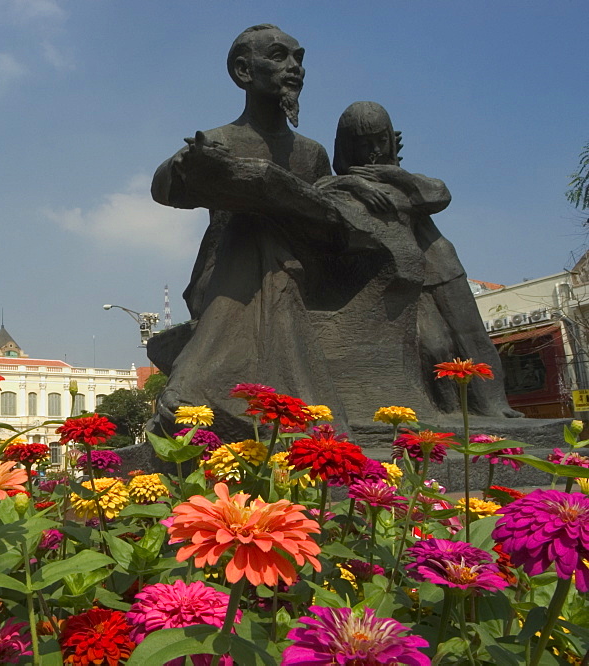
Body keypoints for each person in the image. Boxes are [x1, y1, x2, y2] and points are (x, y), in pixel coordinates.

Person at [148, 25, 383, 439]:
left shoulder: (311, 153)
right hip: (224, 278)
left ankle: (194, 383)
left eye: (299, 59)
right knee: (254, 223)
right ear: (243, 71)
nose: (294, 68)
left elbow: (329, 215)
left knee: (270, 231)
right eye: (279, 57)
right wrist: (188, 162)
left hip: (304, 269)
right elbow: (162, 188)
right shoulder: (219, 139)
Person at [319, 101, 520, 417]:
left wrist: (393, 172)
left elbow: (438, 194)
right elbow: (320, 189)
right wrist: (353, 181)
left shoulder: (399, 177)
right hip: (402, 275)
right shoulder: (344, 184)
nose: (373, 150)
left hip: (440, 265)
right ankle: (450, 412)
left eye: (380, 141)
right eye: (364, 143)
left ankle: (494, 404)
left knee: (471, 335)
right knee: (433, 345)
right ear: (347, 146)